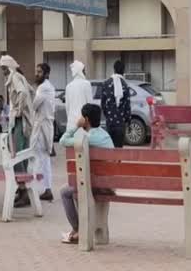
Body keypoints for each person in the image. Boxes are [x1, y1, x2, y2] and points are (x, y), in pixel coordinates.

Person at [58, 103, 114, 244]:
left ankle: (79, 230)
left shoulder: (86, 138)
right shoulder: (105, 136)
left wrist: (76, 126)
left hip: (95, 185)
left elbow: (63, 141)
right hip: (109, 183)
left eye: (82, 117)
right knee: (78, 186)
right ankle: (81, 230)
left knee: (65, 191)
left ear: (86, 120)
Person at [0, 55, 34, 208]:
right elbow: (30, 91)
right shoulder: (17, 77)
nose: (3, 71)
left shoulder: (15, 77)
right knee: (18, 152)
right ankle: (21, 189)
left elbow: (24, 93)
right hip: (18, 119)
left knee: (17, 154)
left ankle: (23, 190)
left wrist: (19, 109)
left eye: (4, 68)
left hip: (20, 120)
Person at [32, 63, 56, 201]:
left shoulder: (43, 88)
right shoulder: (49, 87)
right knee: (44, 158)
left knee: (39, 157)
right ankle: (46, 188)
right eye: (37, 71)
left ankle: (38, 188)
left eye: (40, 72)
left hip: (42, 126)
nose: (37, 74)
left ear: (46, 74)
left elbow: (34, 105)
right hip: (46, 125)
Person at [100, 60, 131, 148]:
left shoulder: (106, 84)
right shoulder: (125, 85)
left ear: (114, 69)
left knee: (110, 148)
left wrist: (108, 115)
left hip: (110, 122)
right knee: (118, 149)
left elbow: (103, 104)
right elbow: (127, 106)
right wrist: (128, 121)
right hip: (121, 123)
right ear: (123, 70)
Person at [64, 61, 93, 128]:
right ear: (80, 71)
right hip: (84, 122)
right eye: (84, 70)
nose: (85, 72)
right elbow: (90, 104)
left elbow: (67, 107)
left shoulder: (68, 86)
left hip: (71, 122)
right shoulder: (86, 84)